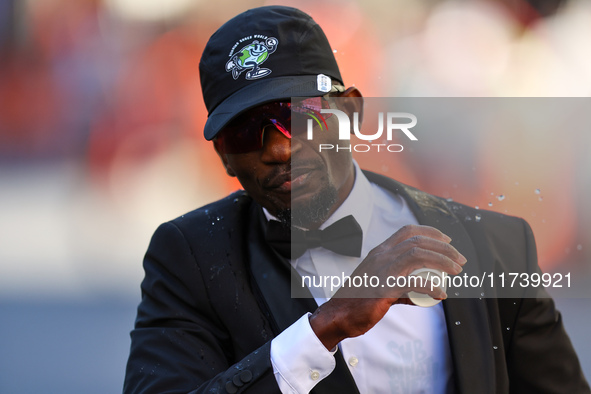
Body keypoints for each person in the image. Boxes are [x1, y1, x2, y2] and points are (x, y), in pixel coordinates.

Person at [124, 6, 589, 394]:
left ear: (350, 111)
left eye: (297, 116)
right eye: (247, 132)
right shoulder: (190, 257)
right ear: (224, 155)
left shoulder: (497, 244)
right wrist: (325, 327)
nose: (278, 148)